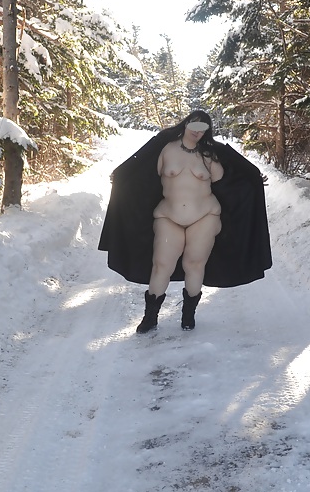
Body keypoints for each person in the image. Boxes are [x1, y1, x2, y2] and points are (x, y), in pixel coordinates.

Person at [99, 110, 272, 333]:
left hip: (205, 216)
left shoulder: (210, 154)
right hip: (168, 216)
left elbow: (231, 178)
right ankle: (150, 316)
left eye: (204, 129)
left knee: (194, 264)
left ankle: (188, 313)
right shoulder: (164, 148)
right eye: (195, 125)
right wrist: (122, 173)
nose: (198, 132)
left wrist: (253, 175)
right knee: (162, 265)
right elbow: (140, 165)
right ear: (186, 124)